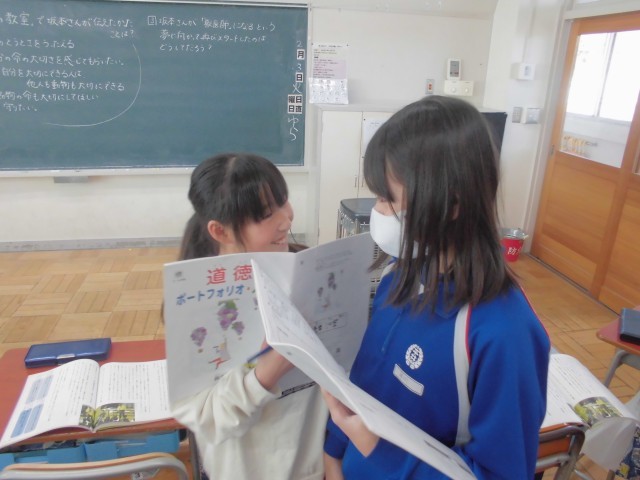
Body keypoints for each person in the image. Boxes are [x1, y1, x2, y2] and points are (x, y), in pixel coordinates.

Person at [322, 96, 550, 479]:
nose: (377, 211)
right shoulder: (399, 274)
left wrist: (378, 451)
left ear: (451, 204)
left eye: (387, 198)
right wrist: (333, 452)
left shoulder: (503, 334)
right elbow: (365, 380)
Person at [171, 153, 326, 480]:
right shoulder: (196, 305)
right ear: (220, 231)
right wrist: (268, 371)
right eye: (266, 214)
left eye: (283, 201)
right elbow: (207, 419)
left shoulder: (305, 270)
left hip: (313, 466)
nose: (285, 220)